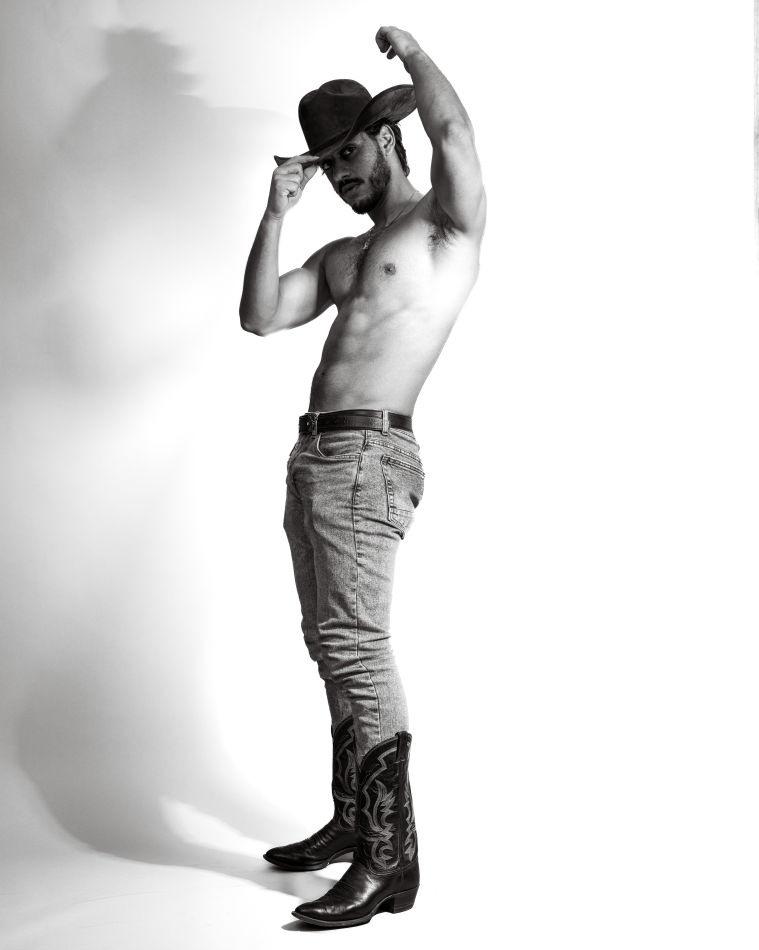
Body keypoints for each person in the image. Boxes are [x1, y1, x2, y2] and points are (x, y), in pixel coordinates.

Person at [239, 25, 486, 928]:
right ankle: (354, 820)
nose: (340, 176)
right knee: (328, 644)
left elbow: (454, 134)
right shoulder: (343, 257)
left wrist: (413, 54)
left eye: (348, 155)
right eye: (326, 164)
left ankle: (390, 858)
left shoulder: (441, 226)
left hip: (369, 458)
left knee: (356, 646)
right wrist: (275, 213)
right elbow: (261, 316)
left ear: (386, 138)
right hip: (314, 458)